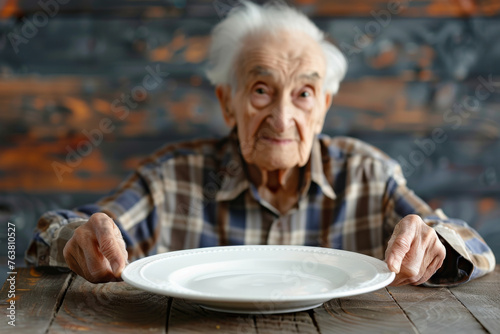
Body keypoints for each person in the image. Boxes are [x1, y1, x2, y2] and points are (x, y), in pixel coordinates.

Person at [26, 1, 495, 286]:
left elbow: (473, 245)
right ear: (227, 103)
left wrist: (437, 244)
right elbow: (59, 228)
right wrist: (75, 238)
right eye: (261, 90)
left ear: (325, 105)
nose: (283, 116)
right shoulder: (172, 180)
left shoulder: (367, 174)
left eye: (304, 94)